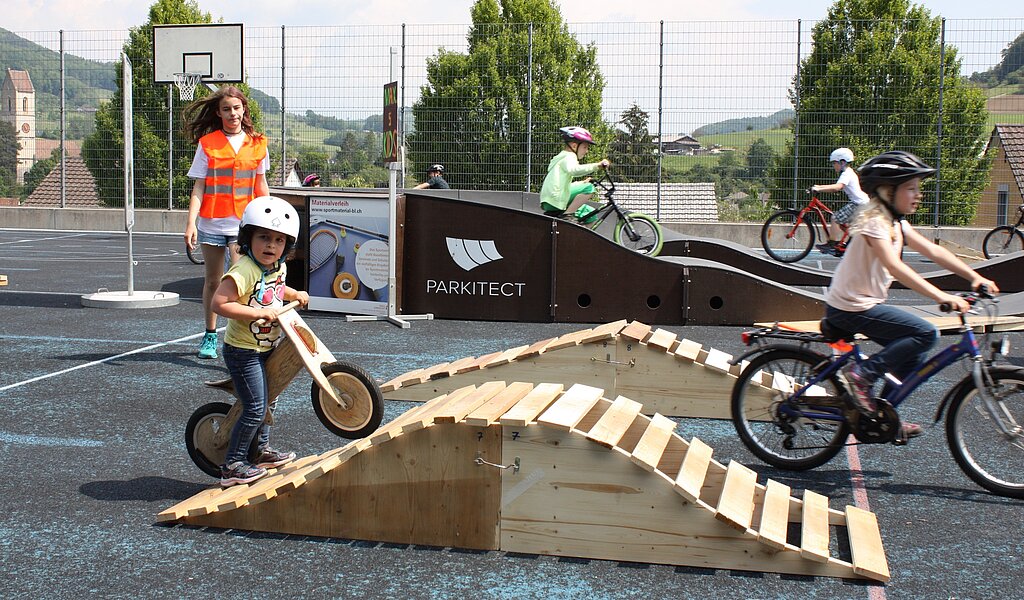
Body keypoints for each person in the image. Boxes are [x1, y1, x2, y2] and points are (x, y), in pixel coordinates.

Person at [823, 151, 999, 440]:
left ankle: (883, 414)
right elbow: (896, 267)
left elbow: (934, 251)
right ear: (888, 191)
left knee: (915, 354)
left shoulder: (896, 222)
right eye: (911, 188)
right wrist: (942, 296)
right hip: (849, 308)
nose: (918, 195)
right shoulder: (874, 222)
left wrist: (975, 276)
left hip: (863, 305)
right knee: (925, 333)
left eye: (919, 188)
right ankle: (862, 375)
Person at [211, 196, 309, 486]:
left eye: (279, 241)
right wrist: (256, 313)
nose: (271, 246)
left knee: (271, 398)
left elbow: (276, 289)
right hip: (243, 351)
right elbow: (219, 303)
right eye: (264, 237)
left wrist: (294, 295)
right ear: (248, 238)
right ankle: (233, 464)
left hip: (267, 347)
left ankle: (261, 451)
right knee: (254, 407)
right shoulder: (244, 271)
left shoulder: (277, 267)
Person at [183, 86, 270, 360]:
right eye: (226, 109)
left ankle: (241, 340)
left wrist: (268, 220)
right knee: (212, 281)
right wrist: (191, 223)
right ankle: (210, 335)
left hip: (242, 225)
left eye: (236, 108)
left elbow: (261, 185)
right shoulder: (208, 143)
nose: (232, 113)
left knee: (240, 283)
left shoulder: (258, 143)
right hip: (211, 223)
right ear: (219, 113)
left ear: (244, 109)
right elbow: (199, 187)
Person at [539, 126, 610, 218]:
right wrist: (597, 165)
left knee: (590, 214)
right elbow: (574, 170)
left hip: (550, 199)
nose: (587, 151)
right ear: (574, 146)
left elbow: (565, 187)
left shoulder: (562, 157)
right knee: (589, 188)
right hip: (555, 199)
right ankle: (567, 216)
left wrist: (581, 183)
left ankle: (577, 230)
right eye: (585, 147)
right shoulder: (569, 156)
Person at [812, 147, 869, 256]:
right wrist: (819, 186)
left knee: (835, 218)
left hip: (858, 204)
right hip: (861, 203)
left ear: (842, 162)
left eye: (834, 163)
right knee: (843, 223)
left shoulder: (847, 173)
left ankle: (831, 244)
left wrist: (819, 188)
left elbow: (837, 187)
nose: (833, 165)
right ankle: (846, 244)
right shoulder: (848, 172)